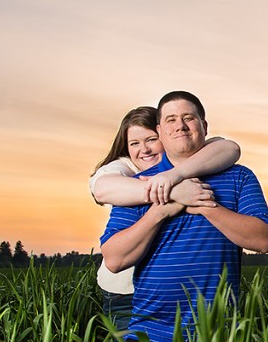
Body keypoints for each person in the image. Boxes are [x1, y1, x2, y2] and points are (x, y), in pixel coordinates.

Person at [101, 91, 268, 342]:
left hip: (219, 334)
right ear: (160, 131)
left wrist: (204, 204)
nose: (180, 125)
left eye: (188, 118)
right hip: (148, 333)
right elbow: (114, 258)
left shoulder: (239, 176)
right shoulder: (140, 186)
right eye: (170, 120)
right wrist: (163, 209)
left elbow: (262, 239)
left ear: (204, 126)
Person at [90, 106, 241, 329]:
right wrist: (173, 192)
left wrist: (173, 175)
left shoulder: (191, 158)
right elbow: (101, 188)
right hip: (126, 293)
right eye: (134, 143)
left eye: (151, 139)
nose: (144, 150)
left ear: (165, 134)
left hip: (184, 290)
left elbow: (229, 148)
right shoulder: (126, 167)